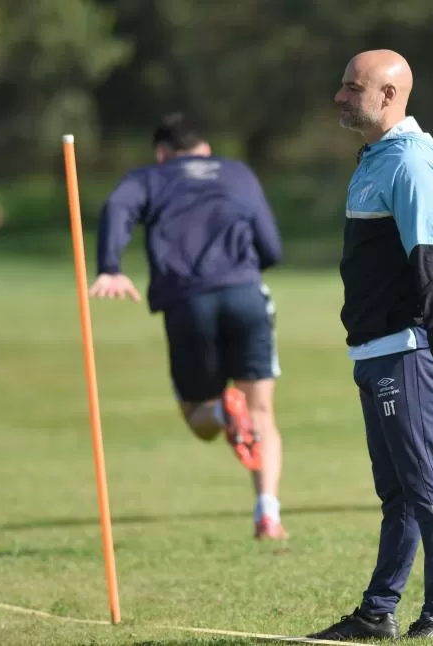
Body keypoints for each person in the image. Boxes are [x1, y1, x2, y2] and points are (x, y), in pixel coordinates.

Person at [307, 50, 433, 641]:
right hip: (374, 349)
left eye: (351, 88)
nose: (339, 96)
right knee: (398, 492)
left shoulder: (409, 161)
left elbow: (430, 261)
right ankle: (378, 611)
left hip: (405, 348)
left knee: (424, 485)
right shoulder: (377, 158)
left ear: (388, 95)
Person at [88, 113, 288, 541]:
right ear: (206, 148)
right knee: (261, 412)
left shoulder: (149, 178)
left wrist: (110, 266)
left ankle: (221, 411)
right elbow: (270, 245)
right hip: (246, 296)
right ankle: (267, 514)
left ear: (161, 153)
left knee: (199, 419)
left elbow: (118, 207)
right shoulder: (237, 173)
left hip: (188, 302)